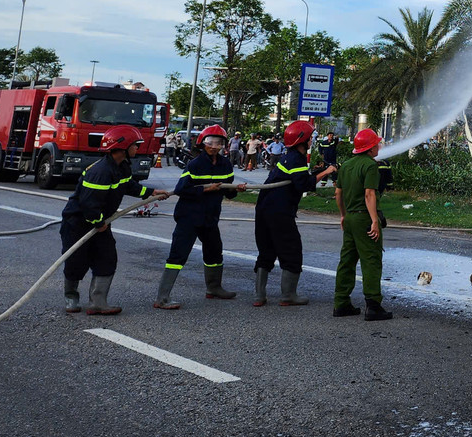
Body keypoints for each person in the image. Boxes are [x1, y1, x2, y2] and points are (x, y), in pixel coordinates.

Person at [59, 126, 170, 314]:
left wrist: (151, 193)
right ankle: (71, 297)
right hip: (78, 223)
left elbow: (128, 186)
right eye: (135, 145)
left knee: (107, 258)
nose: (137, 148)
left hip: (100, 222)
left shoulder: (122, 166)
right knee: (76, 262)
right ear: (123, 147)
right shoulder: (100, 171)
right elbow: (89, 203)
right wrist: (99, 222)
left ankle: (97, 302)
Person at [153, 124, 247, 308]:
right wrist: (205, 189)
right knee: (178, 254)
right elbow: (181, 189)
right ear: (202, 144)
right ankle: (162, 297)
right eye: (210, 142)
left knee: (214, 251)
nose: (214, 146)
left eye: (218, 143)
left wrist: (237, 189)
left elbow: (228, 191)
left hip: (210, 217)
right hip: (189, 216)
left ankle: (214, 288)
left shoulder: (225, 164)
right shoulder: (195, 164)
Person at [253, 119, 336, 306]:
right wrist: (327, 171)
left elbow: (298, 177)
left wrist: (316, 171)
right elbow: (303, 184)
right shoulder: (296, 159)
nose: (311, 142)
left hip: (264, 208)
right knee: (291, 250)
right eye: (309, 139)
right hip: (280, 212)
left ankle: (259, 296)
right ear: (302, 141)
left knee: (266, 250)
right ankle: (288, 295)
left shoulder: (288, 157)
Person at [332, 128, 391, 321]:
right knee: (371, 260)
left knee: (347, 261)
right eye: (376, 144)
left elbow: (338, 193)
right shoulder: (370, 165)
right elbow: (369, 194)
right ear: (370, 147)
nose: (379, 147)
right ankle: (373, 306)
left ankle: (341, 303)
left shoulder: (346, 165)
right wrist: (374, 220)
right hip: (364, 218)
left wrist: (343, 215)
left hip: (349, 218)